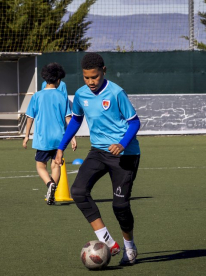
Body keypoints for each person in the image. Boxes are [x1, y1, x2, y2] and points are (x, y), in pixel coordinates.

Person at [54, 53, 141, 265]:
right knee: (78, 191)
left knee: (120, 206)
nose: (91, 82)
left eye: (95, 77)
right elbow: (75, 120)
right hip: (98, 152)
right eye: (86, 78)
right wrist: (60, 147)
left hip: (125, 154)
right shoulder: (81, 94)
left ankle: (129, 247)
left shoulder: (116, 92)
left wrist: (122, 143)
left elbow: (135, 122)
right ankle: (107, 240)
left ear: (104, 71)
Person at [23, 63, 76, 205]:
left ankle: (49, 184)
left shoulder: (37, 96)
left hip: (43, 138)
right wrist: (73, 137)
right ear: (59, 80)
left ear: (44, 79)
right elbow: (68, 118)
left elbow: (30, 117)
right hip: (60, 138)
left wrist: (27, 135)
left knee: (40, 166)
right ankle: (53, 190)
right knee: (56, 165)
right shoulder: (62, 96)